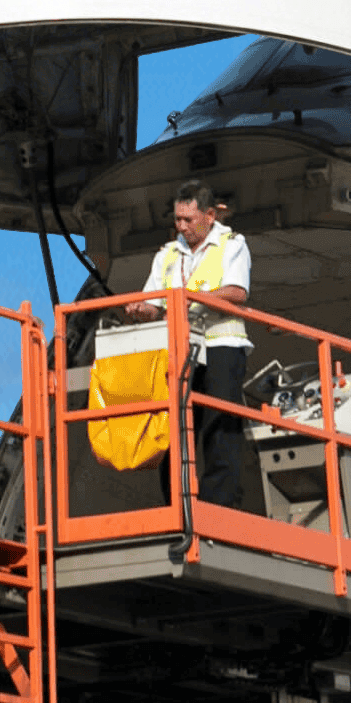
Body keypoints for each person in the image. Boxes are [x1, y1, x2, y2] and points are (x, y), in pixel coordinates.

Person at [125, 180, 251, 508]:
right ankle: (177, 505)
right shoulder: (167, 254)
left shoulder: (232, 244)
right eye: (178, 219)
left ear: (209, 216)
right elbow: (155, 303)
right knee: (175, 428)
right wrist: (141, 309)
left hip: (221, 344)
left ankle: (219, 505)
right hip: (181, 350)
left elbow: (237, 291)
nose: (181, 226)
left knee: (219, 426)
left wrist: (191, 298)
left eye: (188, 220)